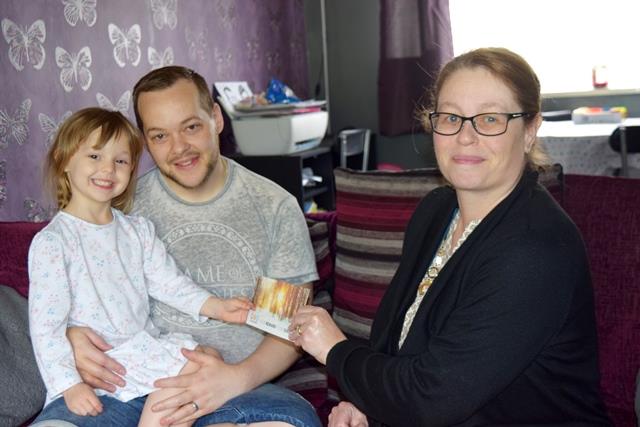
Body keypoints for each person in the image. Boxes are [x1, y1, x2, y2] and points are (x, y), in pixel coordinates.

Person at [289, 48, 612, 426]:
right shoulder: (436, 210)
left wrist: (335, 350)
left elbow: (430, 398)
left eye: (490, 119)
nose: (465, 137)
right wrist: (368, 402)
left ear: (529, 130)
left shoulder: (534, 248)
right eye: (451, 117)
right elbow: (396, 344)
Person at [35, 66, 321, 427]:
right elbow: (72, 288)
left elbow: (288, 329)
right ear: (144, 141)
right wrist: (72, 336)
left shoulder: (274, 206)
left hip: (243, 386)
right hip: (122, 384)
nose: (179, 148)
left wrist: (234, 380)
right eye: (159, 135)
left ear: (216, 118)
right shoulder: (121, 203)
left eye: (191, 127)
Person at [28, 107, 253, 426]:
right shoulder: (53, 243)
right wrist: (68, 383)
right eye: (94, 156)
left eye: (120, 161)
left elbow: (169, 284)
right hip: (100, 363)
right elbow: (46, 326)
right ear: (64, 160)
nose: (108, 169)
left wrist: (219, 307)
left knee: (205, 362)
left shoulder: (137, 231)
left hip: (140, 350)